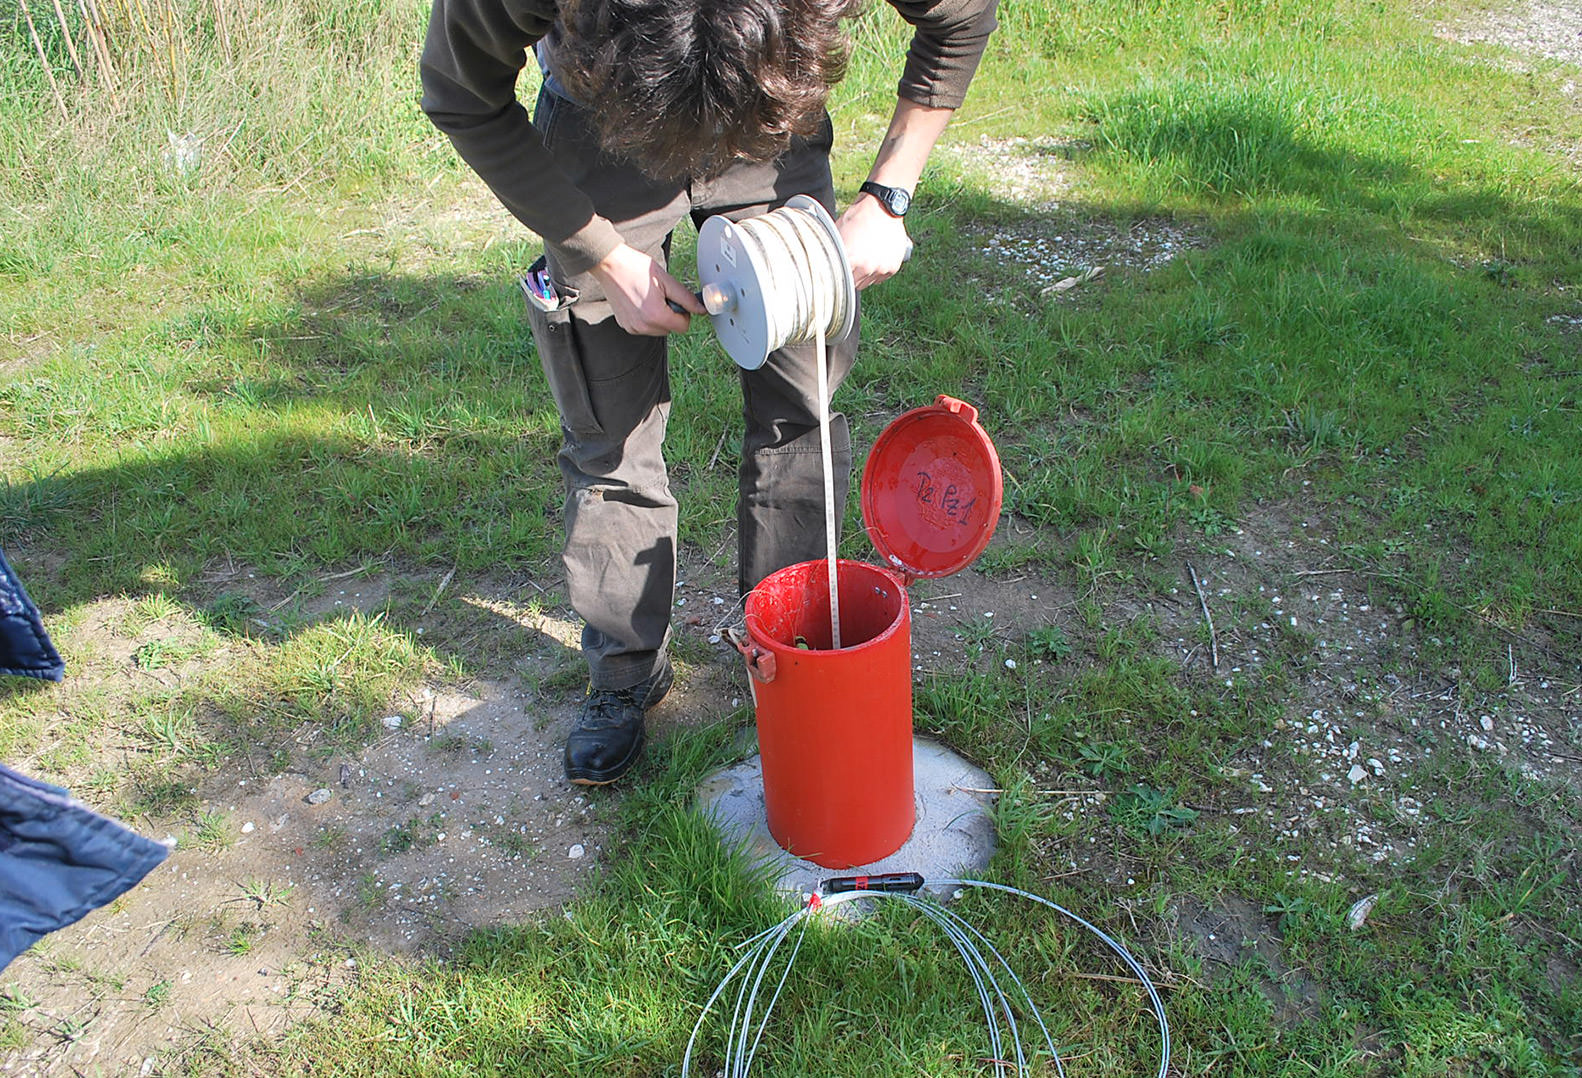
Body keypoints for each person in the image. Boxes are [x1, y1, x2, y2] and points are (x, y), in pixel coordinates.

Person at [420, 0, 997, 785]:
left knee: (803, 411)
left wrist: (889, 193)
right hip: (600, 131)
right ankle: (626, 671)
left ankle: (787, 642)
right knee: (609, 434)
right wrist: (600, 256)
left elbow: (961, 15)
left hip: (771, 114)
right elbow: (459, 93)